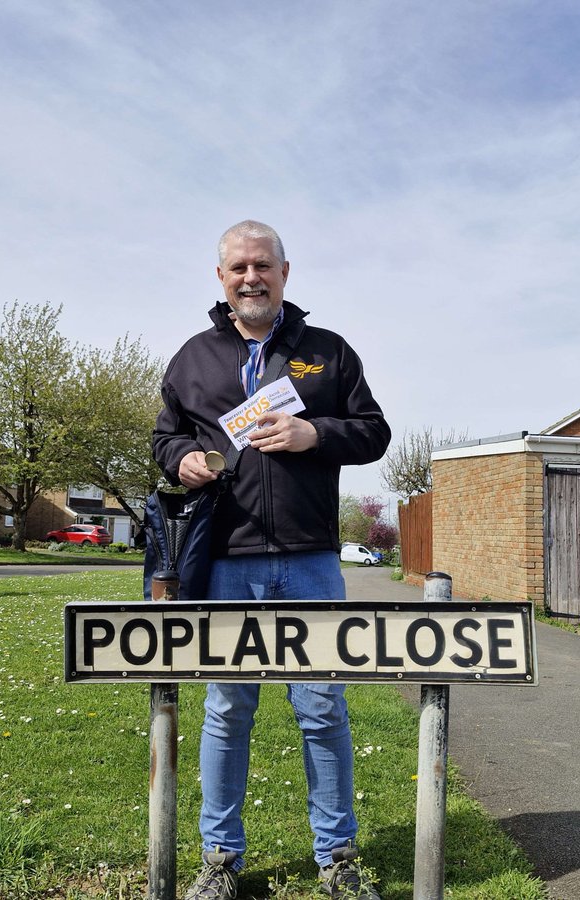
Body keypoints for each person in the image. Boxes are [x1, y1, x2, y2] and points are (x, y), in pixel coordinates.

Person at [152, 220, 391, 900]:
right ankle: (219, 861)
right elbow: (164, 436)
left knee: (322, 708)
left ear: (286, 273)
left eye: (263, 265)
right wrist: (184, 460)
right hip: (226, 558)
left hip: (312, 559)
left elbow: (374, 432)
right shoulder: (194, 357)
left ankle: (338, 859)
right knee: (228, 709)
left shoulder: (326, 352)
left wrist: (314, 431)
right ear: (221, 278)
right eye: (238, 268)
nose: (250, 277)